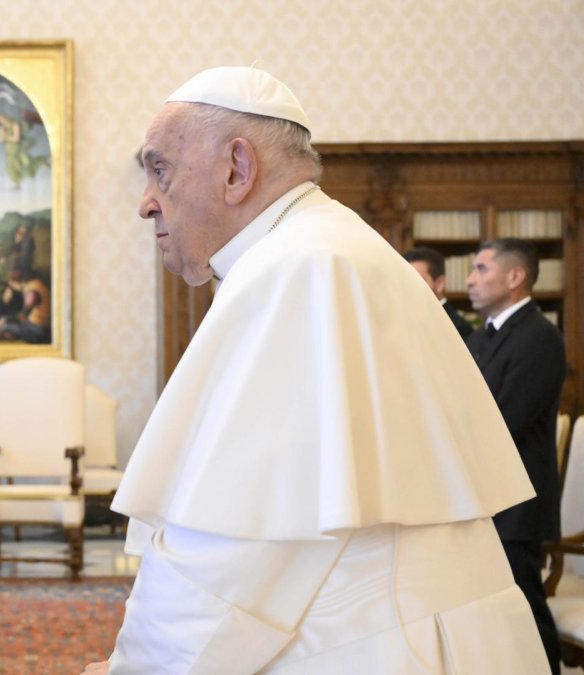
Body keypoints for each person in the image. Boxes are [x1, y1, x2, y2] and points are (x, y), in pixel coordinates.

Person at [84, 67, 548, 674]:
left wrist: (137, 667)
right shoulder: (328, 247)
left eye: (160, 170)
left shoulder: (296, 270)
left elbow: (234, 556)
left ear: (236, 169)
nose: (146, 201)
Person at [466, 238, 566, 674]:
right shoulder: (482, 336)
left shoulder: (539, 336)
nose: (470, 280)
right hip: (485, 496)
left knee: (525, 607)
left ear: (515, 276)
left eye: (481, 269)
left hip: (517, 501)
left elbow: (508, 421)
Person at [403, 246, 474, 339]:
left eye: (416, 279)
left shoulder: (458, 328)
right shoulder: (405, 320)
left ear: (440, 283)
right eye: (405, 279)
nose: (408, 286)